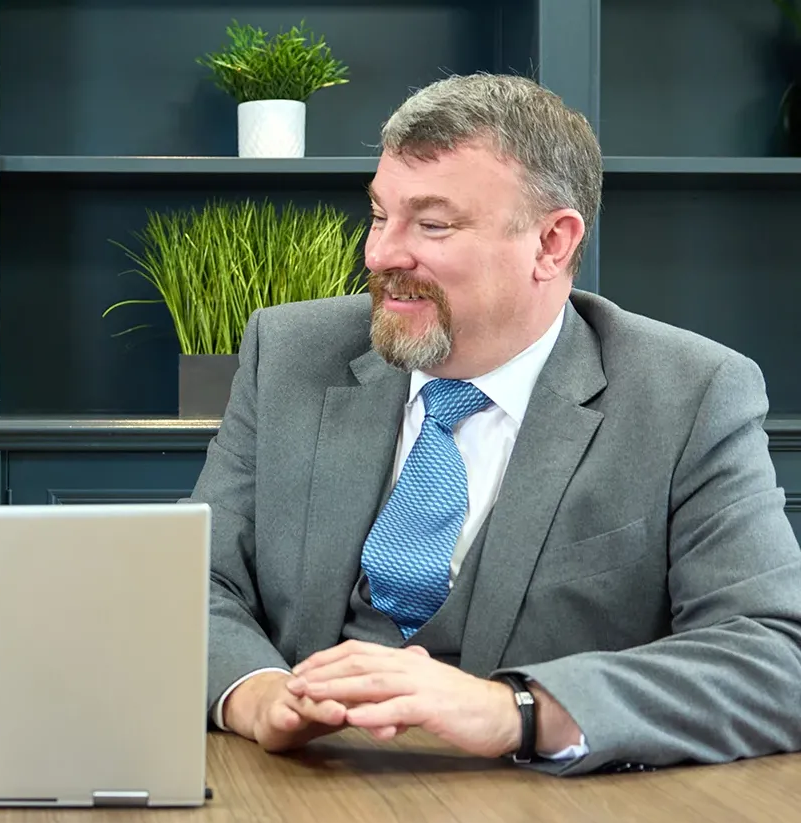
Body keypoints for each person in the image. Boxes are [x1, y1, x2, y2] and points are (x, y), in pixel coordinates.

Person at [198, 73, 801, 775]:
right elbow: (192, 586)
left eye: (432, 224)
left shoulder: (690, 394)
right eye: (378, 215)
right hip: (291, 793)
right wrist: (257, 695)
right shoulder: (291, 353)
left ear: (551, 243)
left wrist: (515, 710)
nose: (381, 254)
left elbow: (775, 659)